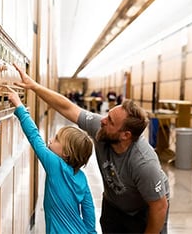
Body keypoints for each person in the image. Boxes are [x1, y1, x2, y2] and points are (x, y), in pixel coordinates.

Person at [11, 63, 169, 234]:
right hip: (114, 205)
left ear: (125, 135)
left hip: (144, 212)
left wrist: (20, 108)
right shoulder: (101, 129)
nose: (102, 120)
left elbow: (159, 207)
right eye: (108, 115)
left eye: (111, 121)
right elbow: (68, 107)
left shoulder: (144, 163)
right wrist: (33, 86)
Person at [4, 86, 96, 234]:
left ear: (66, 153)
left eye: (57, 139)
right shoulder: (82, 178)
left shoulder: (55, 165)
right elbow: (89, 212)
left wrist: (19, 106)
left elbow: (34, 137)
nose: (51, 139)